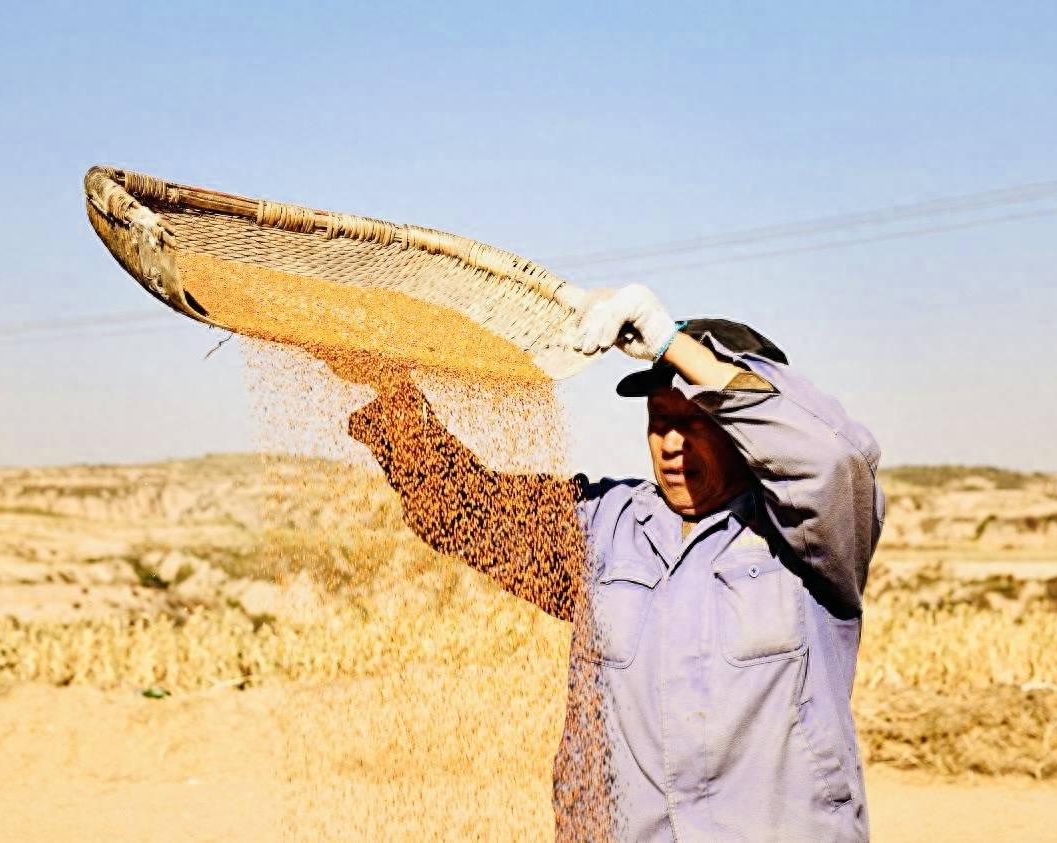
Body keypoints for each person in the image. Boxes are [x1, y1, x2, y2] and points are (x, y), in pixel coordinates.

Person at [343, 283, 885, 842]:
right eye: (660, 420)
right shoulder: (607, 526)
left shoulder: (811, 536)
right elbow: (458, 506)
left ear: (747, 432)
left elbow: (831, 458)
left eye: (698, 421)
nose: (672, 443)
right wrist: (389, 390)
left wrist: (673, 344)